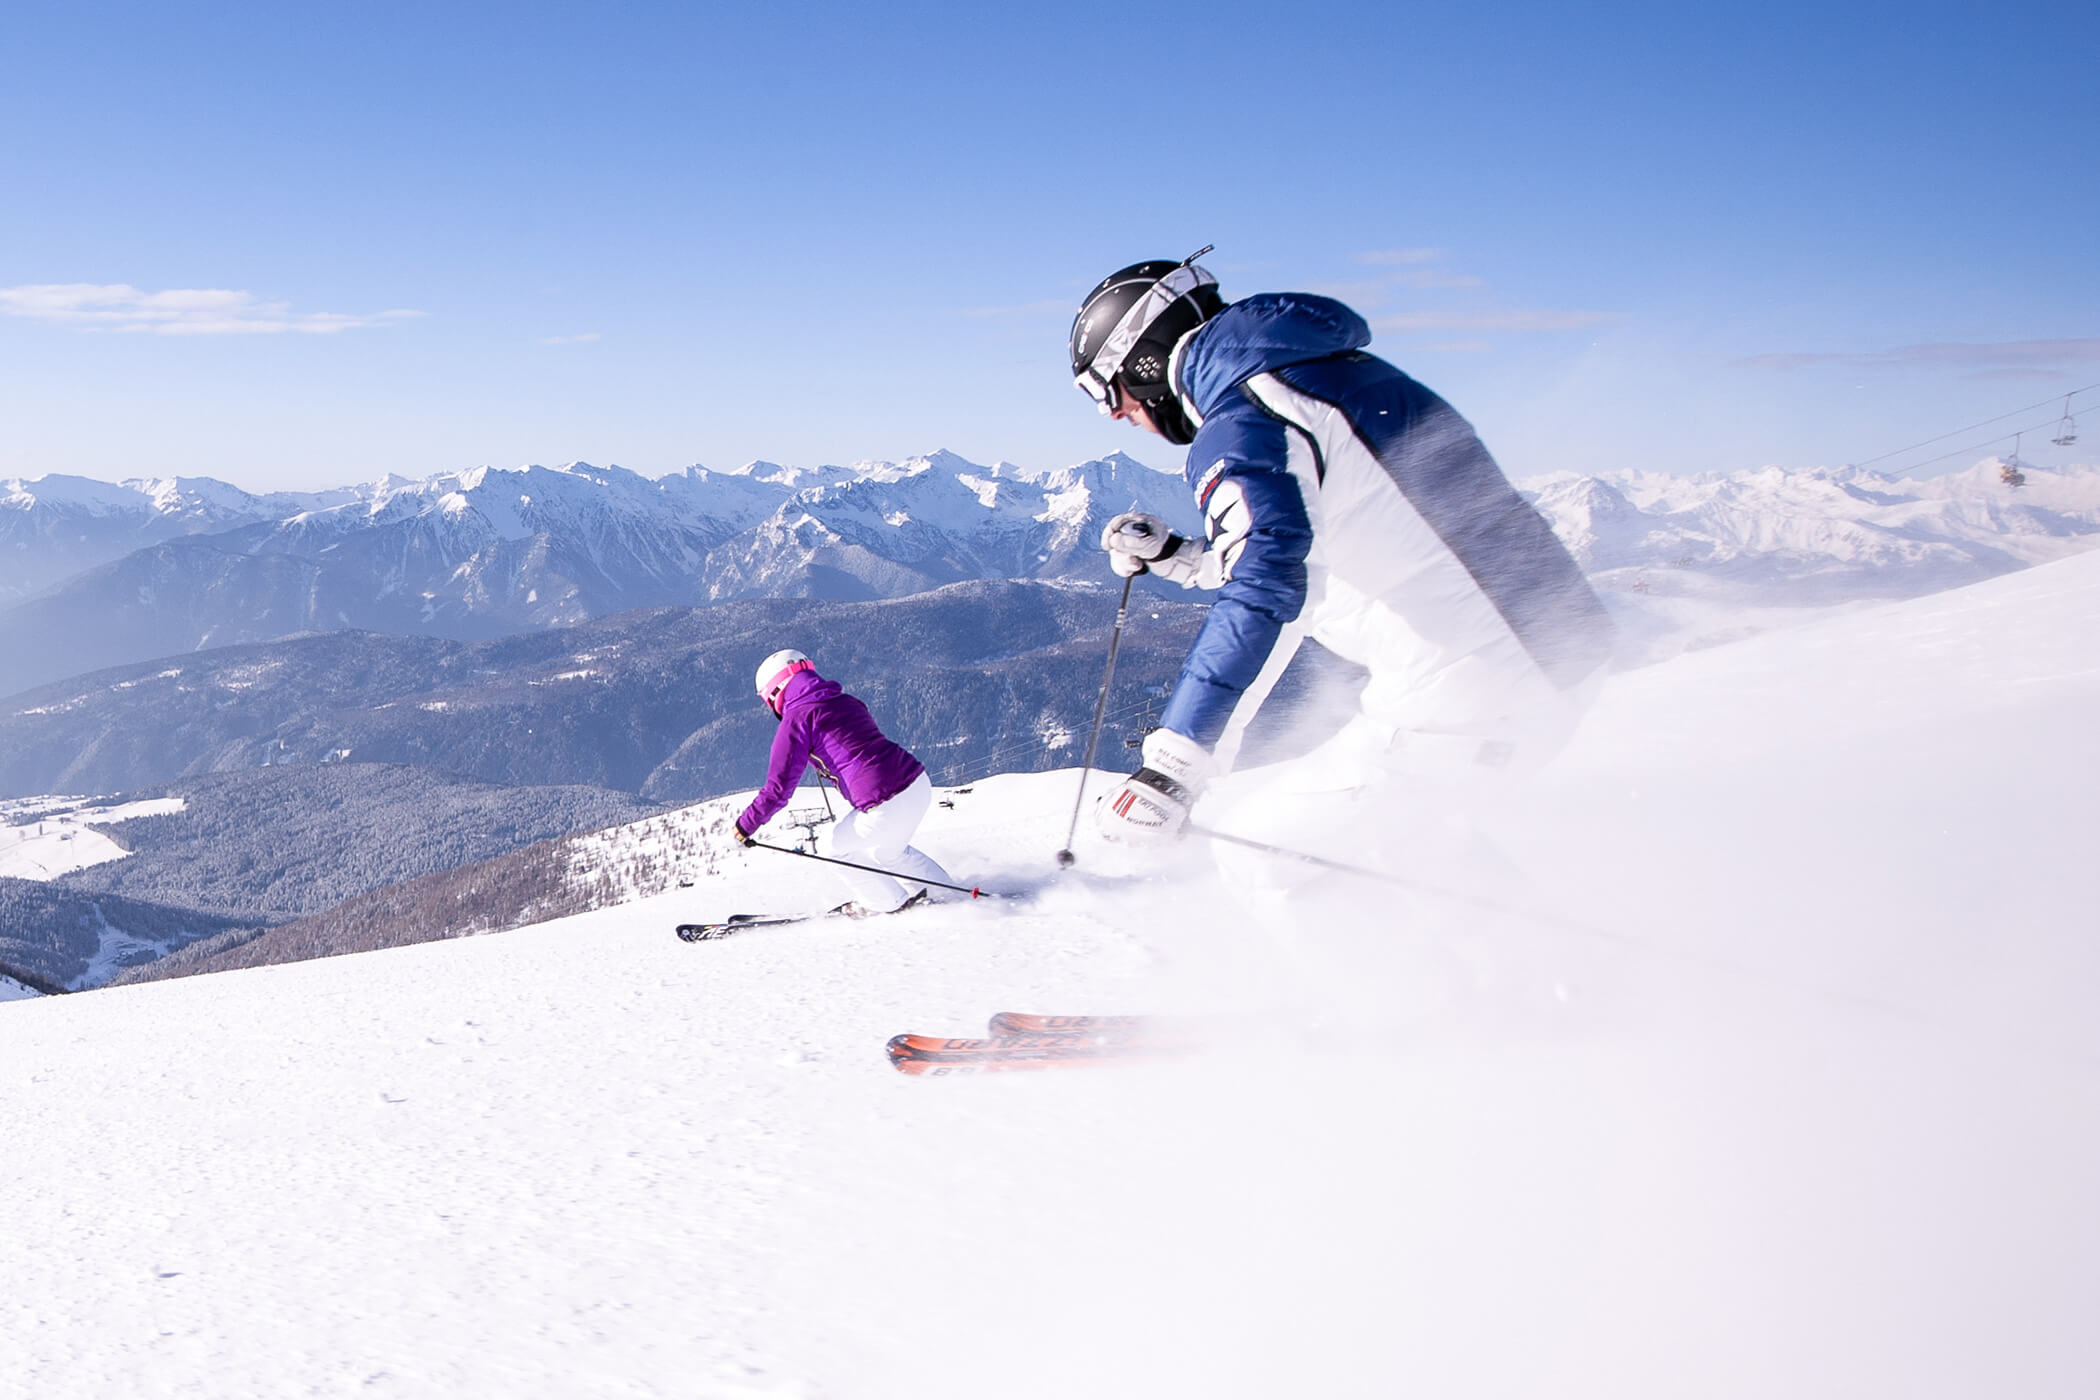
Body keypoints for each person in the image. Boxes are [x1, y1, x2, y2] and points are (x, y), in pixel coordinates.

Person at [1069, 250, 1616, 843]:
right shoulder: (1322, 376)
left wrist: (1174, 767)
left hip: (1479, 694)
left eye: (1106, 390)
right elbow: (1315, 544)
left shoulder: (1247, 419)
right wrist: (1176, 556)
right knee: (1413, 858)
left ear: (1143, 361)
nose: (1115, 413)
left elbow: (1269, 584)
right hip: (1532, 658)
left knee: (1270, 860)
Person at [734, 649, 955, 915]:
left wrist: (744, 826)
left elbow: (778, 788)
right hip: (917, 784)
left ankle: (887, 905)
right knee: (889, 853)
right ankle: (951, 897)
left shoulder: (797, 719)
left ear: (774, 692)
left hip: (886, 801)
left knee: (834, 848)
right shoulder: (846, 701)